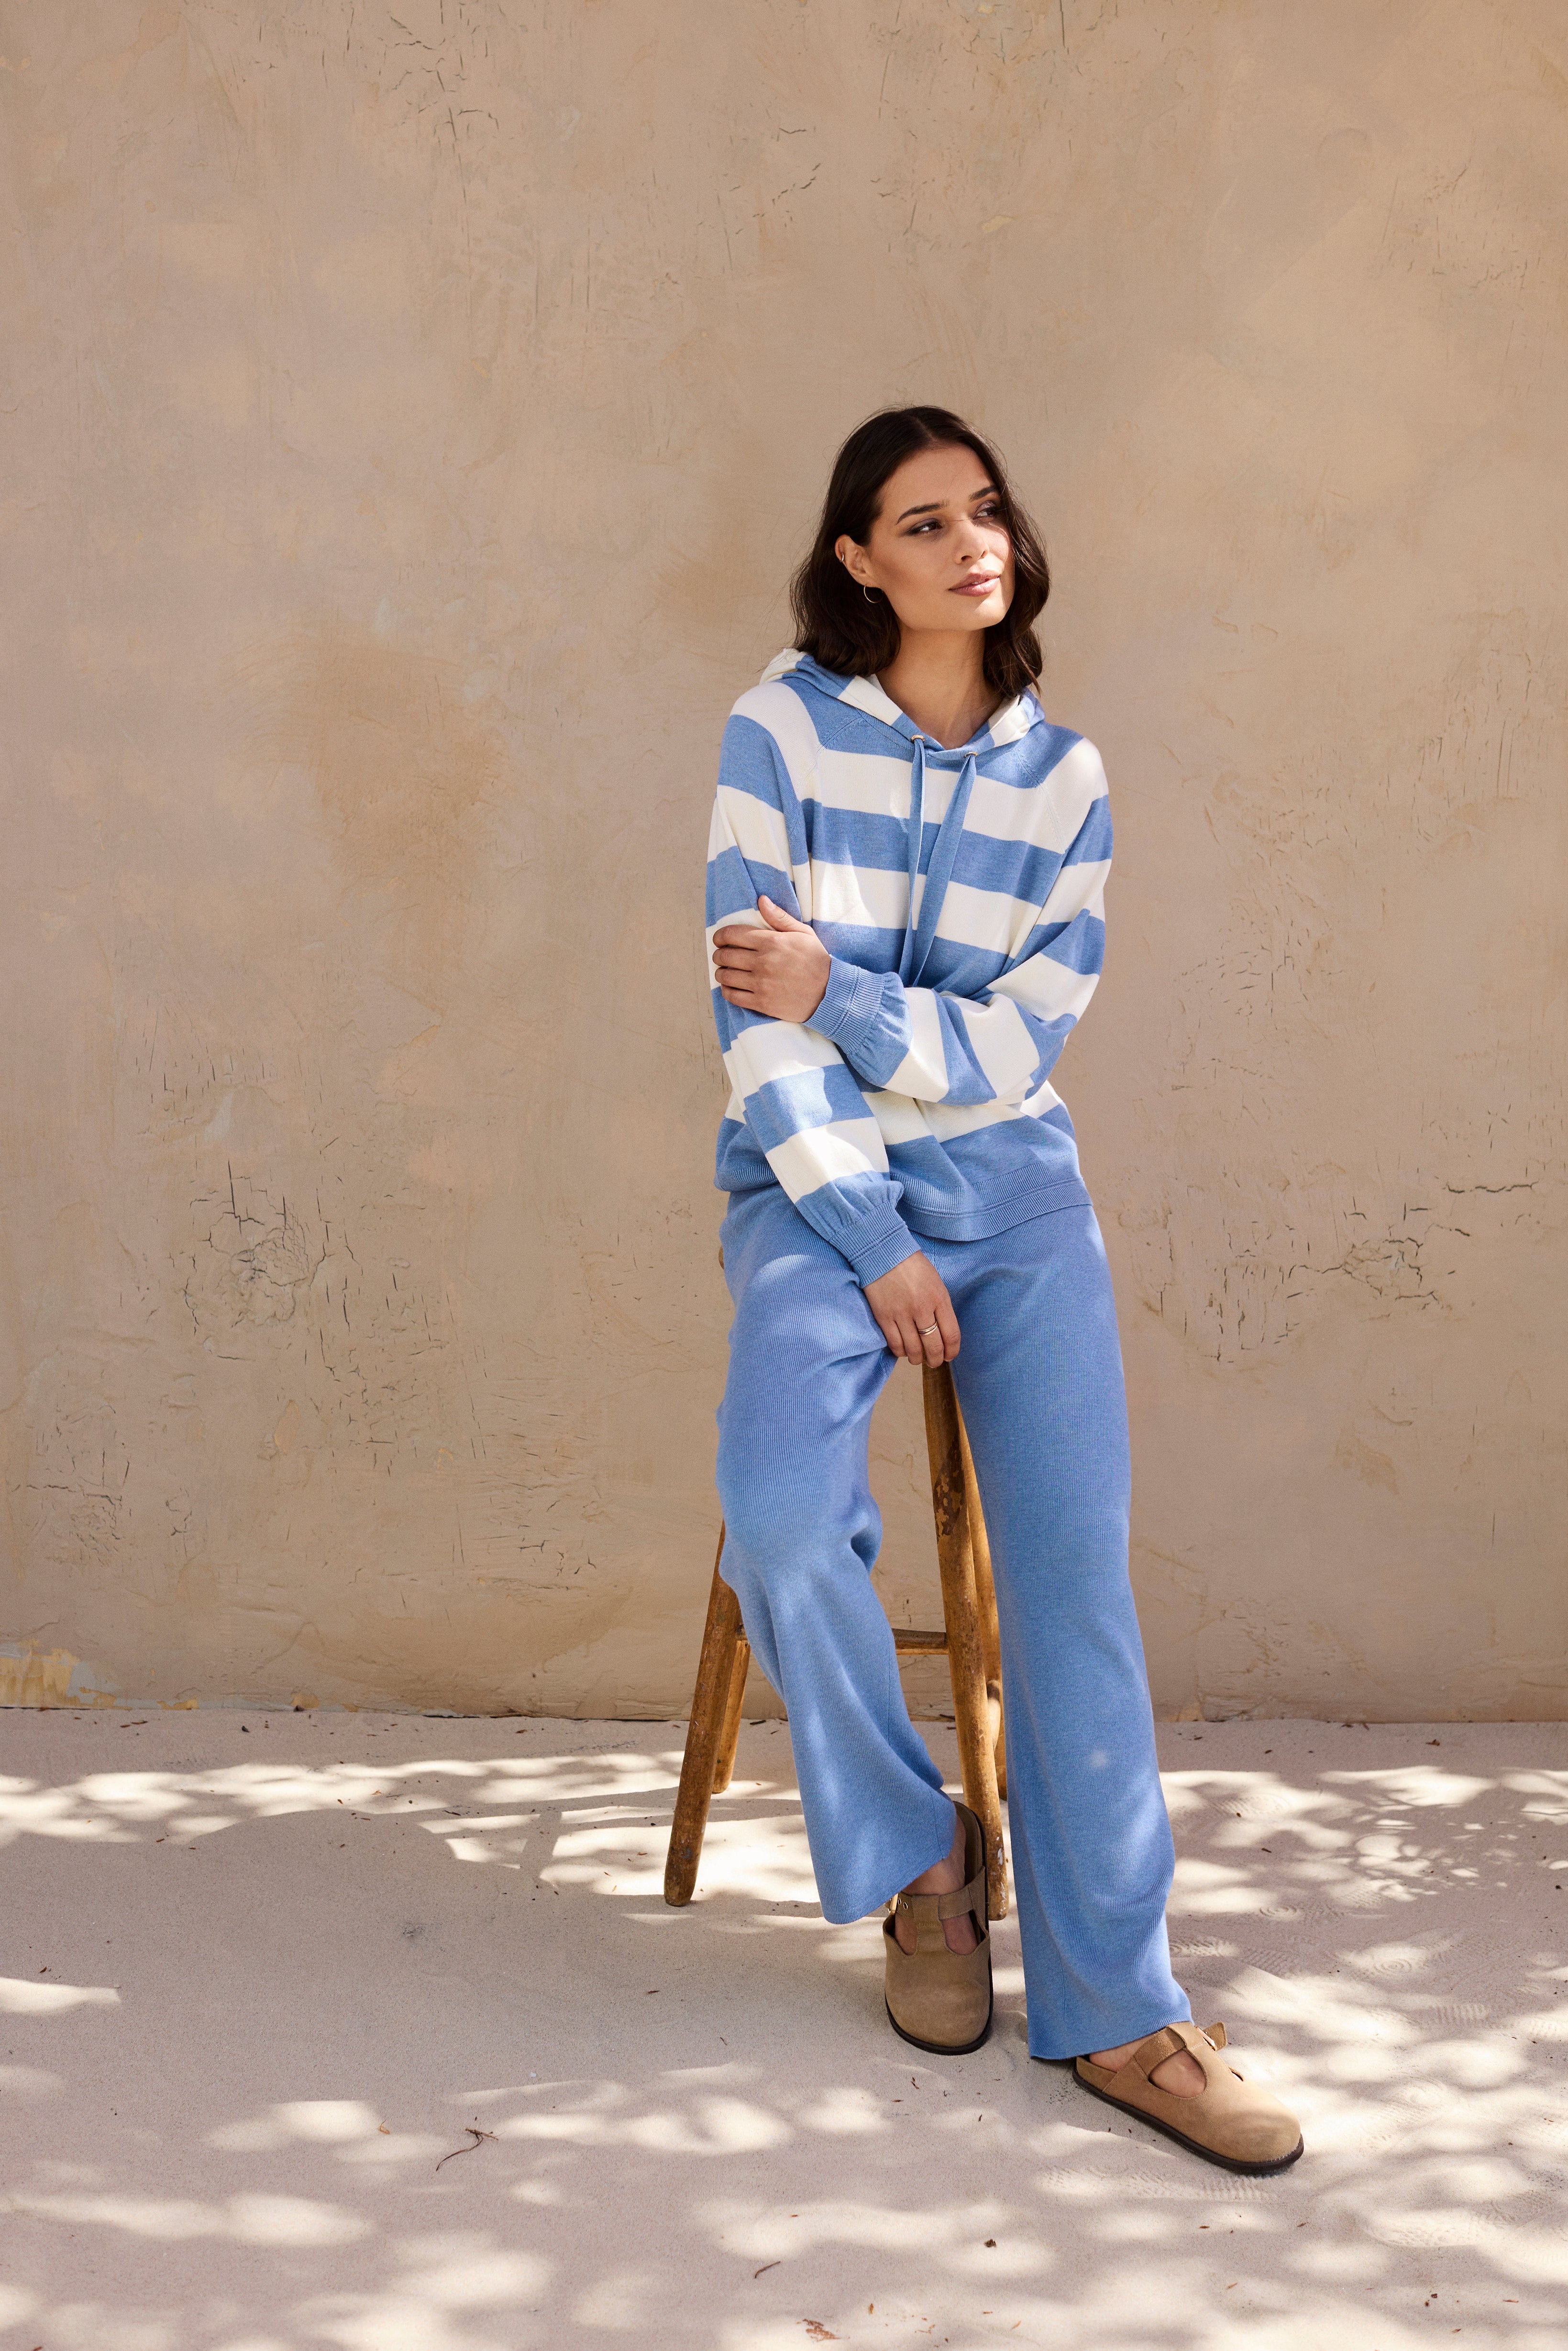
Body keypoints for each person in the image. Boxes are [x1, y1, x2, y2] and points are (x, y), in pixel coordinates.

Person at [704, 406, 1302, 2175]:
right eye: (921, 519)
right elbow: (754, 1015)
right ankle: (921, 1861)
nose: (970, 540)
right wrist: (871, 1231)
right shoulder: (777, 731)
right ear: (856, 560)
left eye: (985, 510)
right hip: (818, 1190)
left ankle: (1124, 2008)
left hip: (1021, 1192)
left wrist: (854, 994)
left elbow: (1023, 1039)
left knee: (1071, 1577)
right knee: (781, 1517)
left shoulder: (1069, 778)